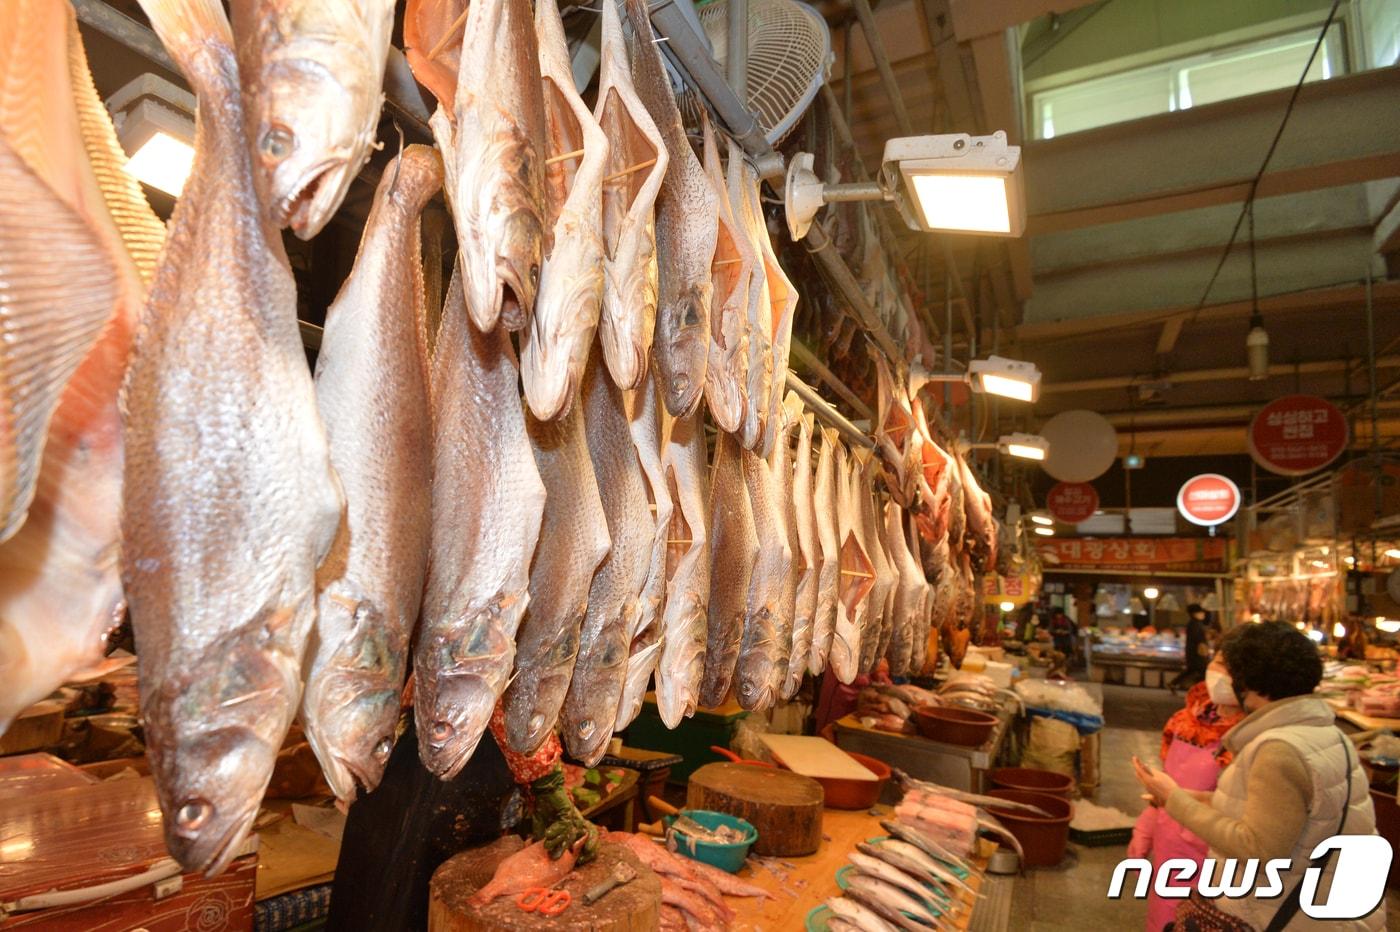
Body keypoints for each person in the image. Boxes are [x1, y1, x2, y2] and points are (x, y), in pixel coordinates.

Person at [1133, 621, 1385, 931]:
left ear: (1250, 682)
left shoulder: (1278, 748)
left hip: (1288, 916)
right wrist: (1196, 798)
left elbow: (1257, 849)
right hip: (1329, 906)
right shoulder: (1327, 734)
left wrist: (1175, 801)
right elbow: (1282, 811)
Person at [1128, 660, 1244, 932]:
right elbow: (1166, 782)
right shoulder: (1183, 720)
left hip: (1218, 854)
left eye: (1230, 667)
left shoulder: (1251, 737)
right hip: (1170, 847)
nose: (1220, 673)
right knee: (1164, 920)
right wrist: (1146, 826)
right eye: (1218, 662)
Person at [1169, 603, 1210, 692]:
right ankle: (1199, 689)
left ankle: (1174, 683)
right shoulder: (1195, 624)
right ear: (1195, 614)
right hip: (1196, 653)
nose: (1203, 614)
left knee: (1192, 670)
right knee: (1202, 671)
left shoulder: (1194, 624)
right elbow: (1198, 639)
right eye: (1201, 613)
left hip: (1193, 652)